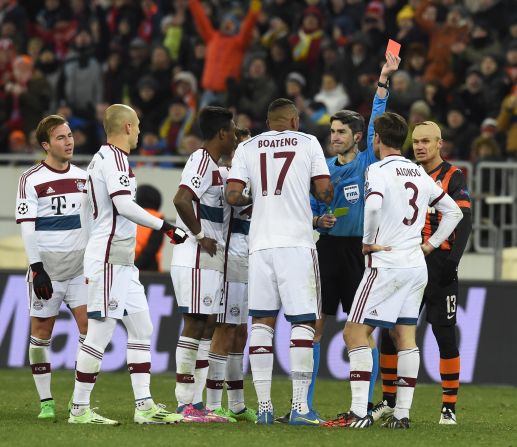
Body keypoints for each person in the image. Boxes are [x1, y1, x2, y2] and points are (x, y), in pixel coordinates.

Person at [323, 112, 462, 429]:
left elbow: (372, 206)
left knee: (354, 332)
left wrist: (368, 242)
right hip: (416, 265)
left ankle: (359, 412)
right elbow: (452, 212)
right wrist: (431, 244)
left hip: (386, 264)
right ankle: (402, 414)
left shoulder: (377, 169)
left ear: (376, 139)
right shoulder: (417, 172)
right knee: (405, 336)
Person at [297, 52, 400, 423]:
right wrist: (315, 219)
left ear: (358, 137)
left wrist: (384, 80)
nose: (334, 137)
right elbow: (306, 205)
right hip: (326, 251)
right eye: (332, 132)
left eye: (341, 132)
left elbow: (377, 118)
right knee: (316, 326)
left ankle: (365, 404)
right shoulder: (320, 169)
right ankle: (303, 405)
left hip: (359, 253)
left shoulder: (367, 161)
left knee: (362, 330)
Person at [69, 104, 187, 425]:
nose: (140, 131)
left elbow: (86, 211)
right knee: (100, 332)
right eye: (137, 125)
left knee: (141, 327)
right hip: (109, 260)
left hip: (119, 259)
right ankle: (79, 410)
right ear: (127, 128)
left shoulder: (98, 159)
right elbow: (124, 205)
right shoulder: (116, 160)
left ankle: (144, 406)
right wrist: (165, 226)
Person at [225, 98, 333, 425]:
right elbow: (324, 190)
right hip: (296, 244)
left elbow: (233, 195)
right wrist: (319, 197)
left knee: (261, 323)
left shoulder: (248, 147)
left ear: (269, 121)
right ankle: (300, 408)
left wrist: (255, 198)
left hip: (260, 245)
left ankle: (266, 409)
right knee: (302, 323)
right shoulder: (309, 142)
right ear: (295, 120)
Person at [373, 121, 472, 425]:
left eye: (426, 141)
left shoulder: (454, 177)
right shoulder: (407, 171)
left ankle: (449, 407)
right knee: (392, 333)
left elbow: (464, 220)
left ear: (440, 144)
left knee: (443, 333)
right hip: (407, 261)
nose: (419, 146)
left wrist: (451, 264)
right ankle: (390, 401)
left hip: (439, 263)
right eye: (415, 141)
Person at [15, 115, 88, 420]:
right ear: (46, 145)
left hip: (80, 271)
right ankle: (46, 401)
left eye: (69, 135)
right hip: (47, 271)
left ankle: (80, 401)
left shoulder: (85, 178)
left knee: (90, 331)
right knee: (41, 334)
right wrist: (37, 268)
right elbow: (27, 229)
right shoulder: (30, 179)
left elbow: (92, 222)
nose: (68, 141)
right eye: (60, 137)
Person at [171, 106, 237, 423]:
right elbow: (181, 199)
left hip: (210, 259)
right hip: (196, 256)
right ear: (222, 133)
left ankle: (197, 405)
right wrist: (199, 235)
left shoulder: (216, 167)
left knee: (207, 325)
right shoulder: (200, 160)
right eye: (233, 130)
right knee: (195, 323)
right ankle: (185, 404)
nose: (236, 134)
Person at [202, 127, 256, 422]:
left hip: (251, 257)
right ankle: (212, 404)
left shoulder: (255, 179)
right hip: (231, 257)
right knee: (225, 328)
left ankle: (235, 402)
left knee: (240, 331)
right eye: (242, 148)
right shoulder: (226, 178)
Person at [135, 184, 165, 272]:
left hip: (129, 267)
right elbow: (152, 248)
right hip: (151, 270)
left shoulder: (132, 216)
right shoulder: (158, 219)